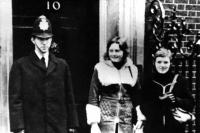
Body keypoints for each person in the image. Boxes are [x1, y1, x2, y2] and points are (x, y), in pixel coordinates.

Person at [9, 15, 79, 133]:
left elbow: (69, 97)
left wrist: (72, 124)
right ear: (33, 40)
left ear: (51, 40)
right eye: (40, 39)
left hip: (58, 126)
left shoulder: (62, 65)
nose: (44, 43)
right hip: (32, 126)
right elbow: (16, 100)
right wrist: (19, 128)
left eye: (47, 39)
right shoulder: (20, 66)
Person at [86, 36, 146, 133]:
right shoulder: (100, 68)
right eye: (111, 51)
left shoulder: (132, 70)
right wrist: (94, 123)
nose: (114, 54)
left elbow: (137, 96)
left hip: (126, 119)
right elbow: (93, 96)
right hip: (105, 119)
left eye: (117, 51)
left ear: (124, 52)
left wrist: (139, 117)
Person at [142, 48, 194, 133]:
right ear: (154, 63)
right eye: (159, 62)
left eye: (165, 62)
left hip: (175, 128)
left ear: (170, 63)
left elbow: (190, 103)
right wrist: (159, 100)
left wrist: (176, 100)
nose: (162, 65)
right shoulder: (149, 81)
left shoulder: (180, 80)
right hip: (153, 128)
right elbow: (143, 105)